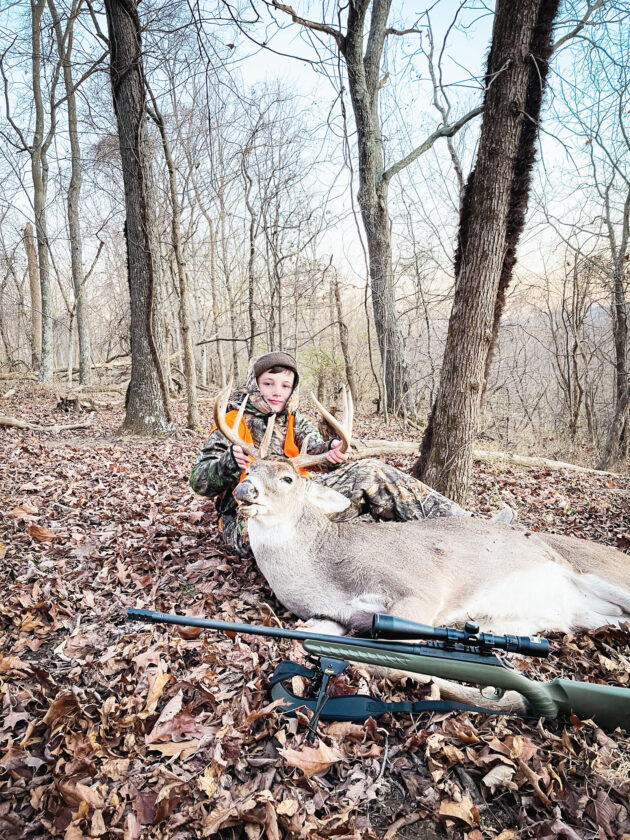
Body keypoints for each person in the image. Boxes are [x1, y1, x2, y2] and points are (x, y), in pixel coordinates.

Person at [190, 351, 515, 555]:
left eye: (285, 386)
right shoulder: (231, 422)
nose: (277, 392)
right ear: (255, 384)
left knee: (371, 471)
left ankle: (470, 528)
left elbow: (314, 450)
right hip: (252, 518)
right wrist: (229, 463)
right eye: (269, 383)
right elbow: (199, 481)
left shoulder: (294, 421)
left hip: (298, 503)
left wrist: (329, 453)